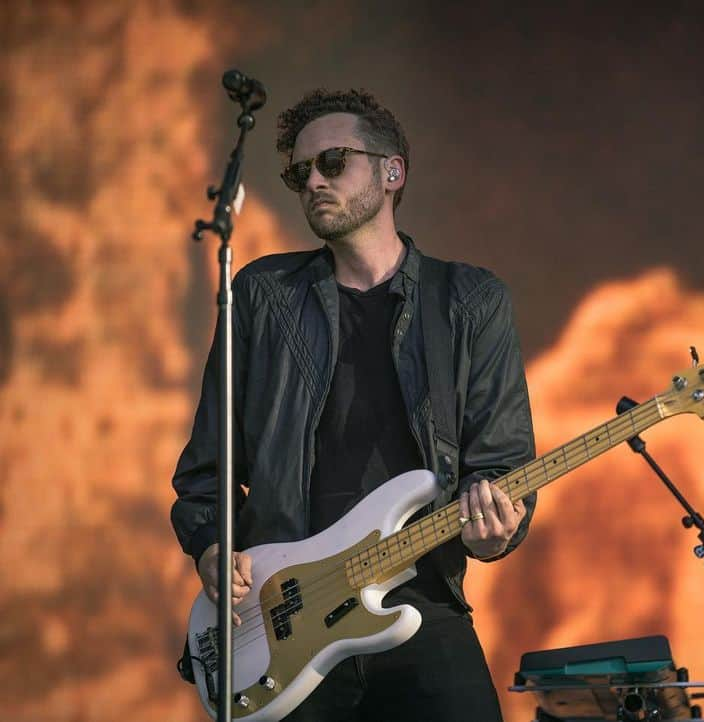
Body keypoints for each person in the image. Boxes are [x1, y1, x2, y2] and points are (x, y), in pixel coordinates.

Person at [170, 88, 537, 722]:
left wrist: (498, 529)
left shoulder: (470, 301)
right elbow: (208, 468)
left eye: (333, 162)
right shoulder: (263, 294)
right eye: (298, 172)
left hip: (421, 598)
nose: (313, 181)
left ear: (391, 172)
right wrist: (209, 545)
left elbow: (500, 467)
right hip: (284, 613)